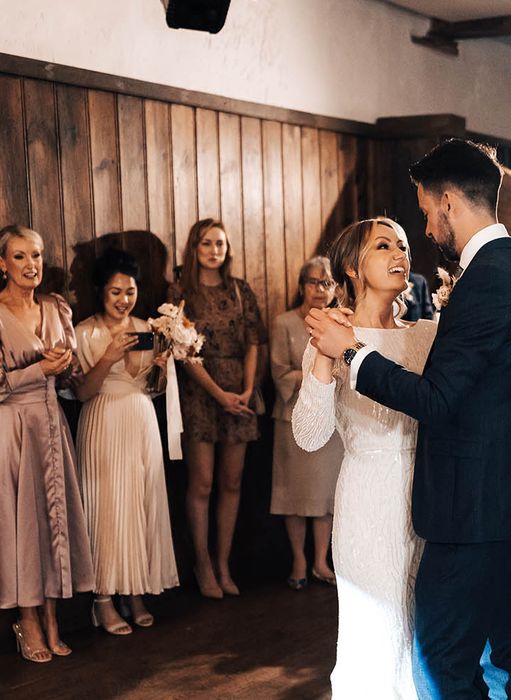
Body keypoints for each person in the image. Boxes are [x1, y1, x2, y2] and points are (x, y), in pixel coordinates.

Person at [306, 139, 511, 699]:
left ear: (447, 201)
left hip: (473, 510)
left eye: (422, 211)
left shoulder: (488, 279)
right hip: (498, 502)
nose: (423, 230)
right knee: (491, 660)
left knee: (442, 663)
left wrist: (353, 353)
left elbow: (439, 399)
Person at [293, 217, 436, 697]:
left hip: (430, 492)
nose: (399, 254)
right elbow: (309, 436)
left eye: (403, 245)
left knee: (423, 628)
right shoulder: (333, 335)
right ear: (352, 268)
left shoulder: (428, 334)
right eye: (383, 246)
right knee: (376, 626)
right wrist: (322, 356)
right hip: (367, 496)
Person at [0, 224, 94, 662]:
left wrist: (66, 364)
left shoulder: (56, 307)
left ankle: (54, 618)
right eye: (19, 256)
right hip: (13, 426)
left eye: (36, 255)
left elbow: (73, 377)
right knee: (23, 524)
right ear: (2, 264)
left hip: (53, 422)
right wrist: (40, 369)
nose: (30, 265)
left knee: (55, 519)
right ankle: (28, 619)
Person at [75, 249, 179, 634]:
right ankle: (103, 599)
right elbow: (82, 392)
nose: (123, 300)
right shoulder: (84, 332)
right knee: (108, 507)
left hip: (141, 419)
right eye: (116, 291)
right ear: (101, 291)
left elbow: (153, 389)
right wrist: (106, 358)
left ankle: (136, 590)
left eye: (130, 291)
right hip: (103, 419)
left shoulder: (148, 328)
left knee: (142, 502)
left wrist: (162, 370)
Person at [169, 218, 267, 598]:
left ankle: (224, 562)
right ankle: (202, 562)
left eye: (220, 244)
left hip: (239, 391)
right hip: (200, 393)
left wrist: (245, 389)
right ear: (194, 248)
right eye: (207, 244)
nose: (214, 250)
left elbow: (255, 341)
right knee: (203, 482)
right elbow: (181, 351)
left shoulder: (240, 290)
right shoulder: (181, 291)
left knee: (232, 481)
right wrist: (218, 394)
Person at [270, 256, 343, 590]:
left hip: (331, 416)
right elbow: (280, 372)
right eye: (314, 282)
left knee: (326, 494)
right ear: (301, 286)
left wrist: (321, 375)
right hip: (291, 416)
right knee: (295, 494)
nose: (320, 289)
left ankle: (320, 560)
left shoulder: (340, 321)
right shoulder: (284, 323)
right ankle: (298, 559)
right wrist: (317, 374)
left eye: (327, 283)